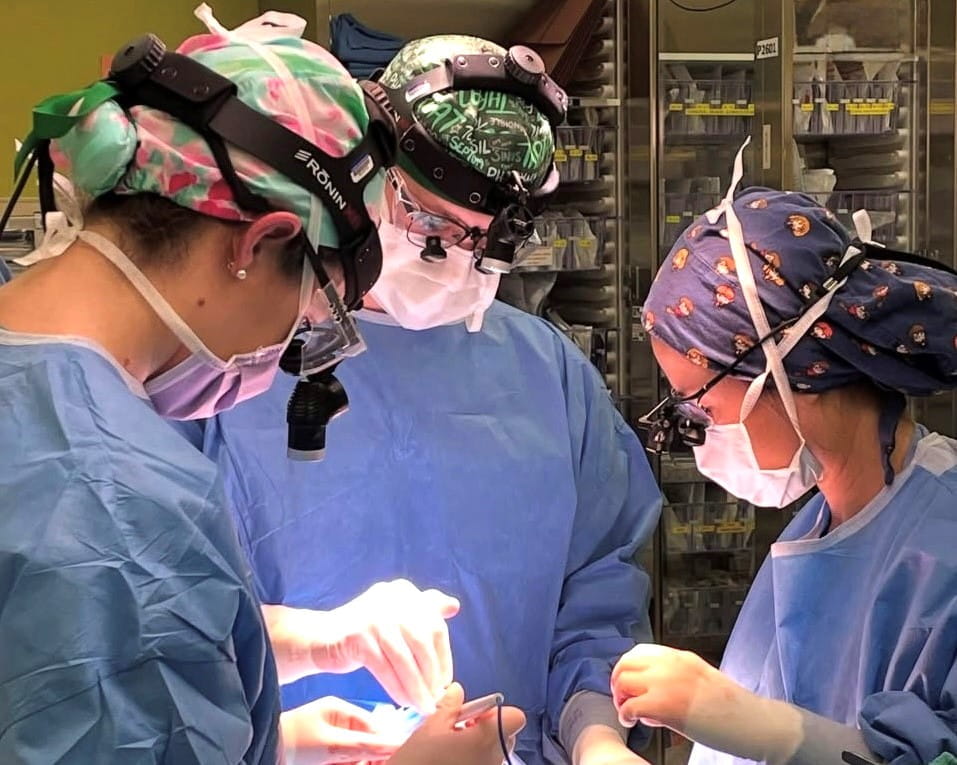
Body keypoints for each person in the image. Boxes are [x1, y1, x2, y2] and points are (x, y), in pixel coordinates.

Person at [0, 9, 523, 764]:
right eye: (312, 311)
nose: (285, 347)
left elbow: (59, 646)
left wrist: (304, 650)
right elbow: (117, 624)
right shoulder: (118, 503)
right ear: (260, 242)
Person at [182, 34, 662, 765]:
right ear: (366, 174)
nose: (452, 258)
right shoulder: (237, 363)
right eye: (428, 220)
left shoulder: (546, 375)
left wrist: (595, 734)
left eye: (485, 239)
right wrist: (283, 736)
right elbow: (163, 614)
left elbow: (596, 598)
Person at [610, 160, 957, 765]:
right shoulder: (824, 528)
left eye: (699, 403)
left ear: (789, 373)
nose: (696, 429)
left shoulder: (941, 547)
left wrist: (765, 729)